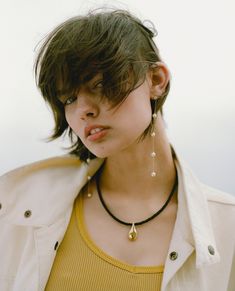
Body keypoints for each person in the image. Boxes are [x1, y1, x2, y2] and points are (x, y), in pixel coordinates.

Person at [0, 8, 234, 291]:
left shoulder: (226, 227)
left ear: (157, 80)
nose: (83, 109)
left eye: (99, 83)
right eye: (69, 98)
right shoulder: (18, 208)